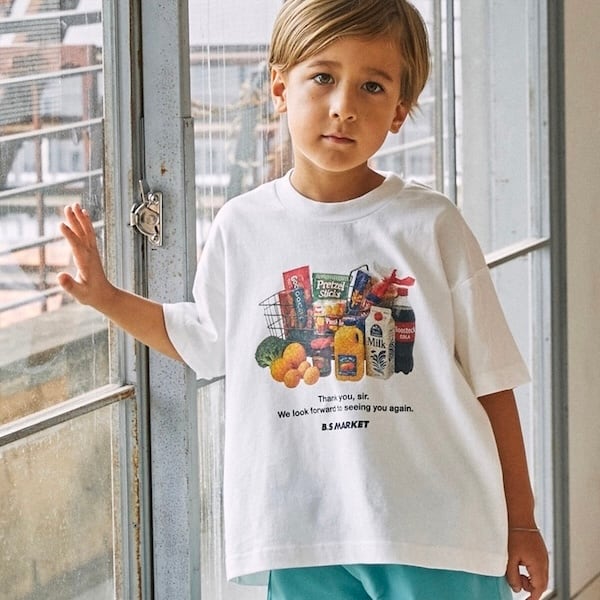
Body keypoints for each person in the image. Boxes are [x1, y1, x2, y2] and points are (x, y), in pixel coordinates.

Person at [58, 0, 549, 598]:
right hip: (298, 531)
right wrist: (106, 297)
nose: (344, 105)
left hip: (436, 531)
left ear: (399, 111)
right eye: (323, 77)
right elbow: (202, 339)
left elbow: (492, 382)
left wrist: (521, 521)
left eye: (372, 86)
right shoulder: (242, 227)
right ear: (279, 88)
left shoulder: (431, 225)